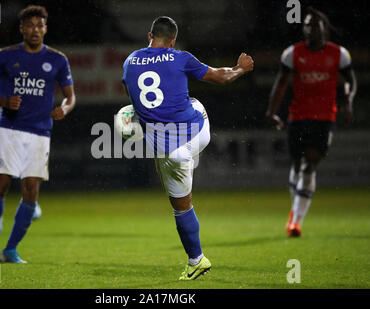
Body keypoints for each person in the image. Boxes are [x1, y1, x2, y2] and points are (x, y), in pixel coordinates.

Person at [122, 16, 254, 280]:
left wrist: (138, 118)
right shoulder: (180, 57)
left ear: (149, 36)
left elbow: (136, 97)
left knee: (181, 207)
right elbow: (221, 77)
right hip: (197, 134)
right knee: (193, 101)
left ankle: (196, 259)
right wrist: (241, 69)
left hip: (168, 151)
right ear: (172, 41)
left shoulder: (130, 61)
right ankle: (196, 262)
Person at [0, 5, 76, 264]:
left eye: (40, 26)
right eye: (30, 26)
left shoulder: (58, 59)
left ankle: (10, 249)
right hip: (10, 131)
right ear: (22, 29)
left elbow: (70, 97)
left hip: (40, 133)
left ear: (45, 29)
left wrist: (64, 109)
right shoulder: (5, 56)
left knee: (31, 192)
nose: (35, 30)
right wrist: (5, 102)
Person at [266, 7, 357, 237]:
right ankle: (295, 210)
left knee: (310, 164)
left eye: (315, 25)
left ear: (324, 28)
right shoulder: (292, 54)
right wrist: (272, 112)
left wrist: (348, 102)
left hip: (325, 118)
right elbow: (281, 84)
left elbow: (350, 81)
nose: (310, 29)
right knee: (297, 166)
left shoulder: (339, 54)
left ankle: (296, 221)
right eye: (306, 25)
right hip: (298, 117)